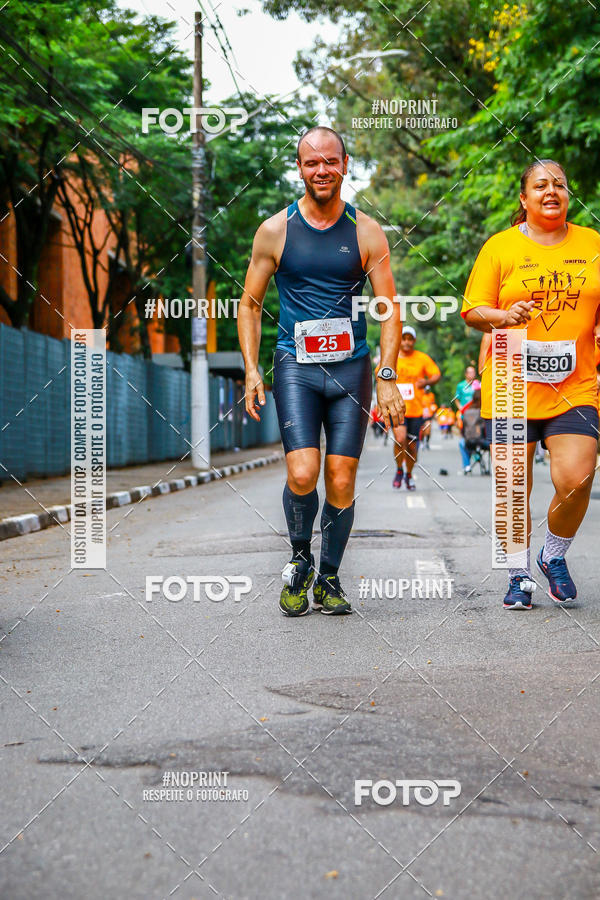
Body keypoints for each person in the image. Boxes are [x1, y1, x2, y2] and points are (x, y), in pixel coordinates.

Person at [238, 126, 404, 617]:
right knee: (303, 471)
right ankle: (300, 559)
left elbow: (389, 309)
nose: (322, 170)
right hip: (296, 367)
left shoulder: (366, 231)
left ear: (345, 165)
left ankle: (329, 577)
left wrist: (387, 375)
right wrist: (252, 370)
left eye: (330, 161)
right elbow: (249, 306)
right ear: (299, 168)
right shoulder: (275, 231)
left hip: (351, 370)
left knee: (341, 477)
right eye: (312, 162)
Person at [462, 158, 600, 610]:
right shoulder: (500, 247)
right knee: (512, 487)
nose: (551, 191)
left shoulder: (593, 243)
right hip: (511, 384)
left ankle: (552, 554)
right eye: (540, 185)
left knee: (577, 479)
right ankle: (517, 574)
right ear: (524, 199)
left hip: (574, 384)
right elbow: (472, 311)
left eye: (559, 184)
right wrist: (504, 316)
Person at [391, 326, 441, 489]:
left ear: (414, 341)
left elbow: (436, 374)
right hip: (397, 408)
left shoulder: (422, 358)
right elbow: (380, 374)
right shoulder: (392, 357)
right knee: (400, 439)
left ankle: (409, 474)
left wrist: (426, 382)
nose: (406, 342)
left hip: (415, 409)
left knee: (412, 446)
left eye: (409, 339)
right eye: (403, 338)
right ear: (399, 340)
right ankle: (399, 469)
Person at [458, 388, 488, 473]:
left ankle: (467, 466)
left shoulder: (467, 412)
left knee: (461, 443)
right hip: (484, 442)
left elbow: (463, 430)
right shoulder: (485, 412)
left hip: (469, 442)